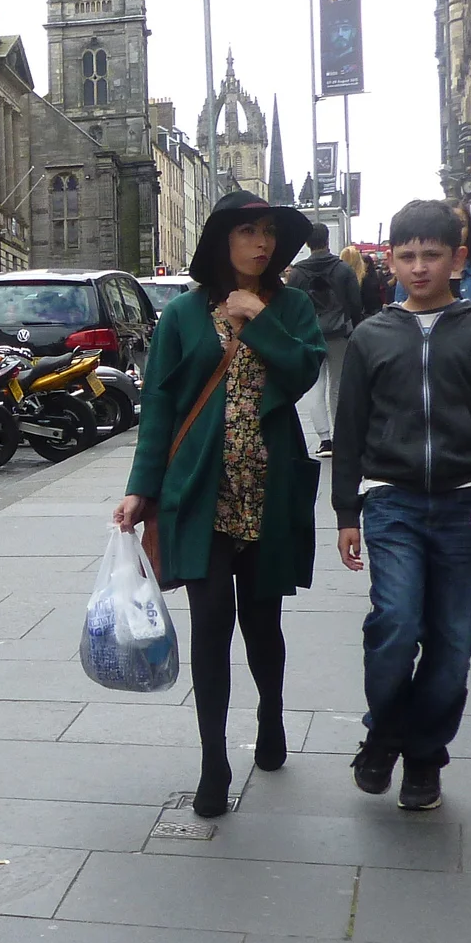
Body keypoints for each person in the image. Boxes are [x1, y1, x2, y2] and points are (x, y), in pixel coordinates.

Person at [114, 190, 324, 818]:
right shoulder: (180, 314)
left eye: (268, 232)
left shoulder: (290, 306)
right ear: (222, 241)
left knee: (263, 623)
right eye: (247, 232)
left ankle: (272, 713)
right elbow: (160, 409)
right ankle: (213, 762)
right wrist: (139, 488)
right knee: (210, 628)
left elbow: (304, 371)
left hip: (268, 489)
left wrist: (255, 320)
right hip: (200, 493)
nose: (260, 242)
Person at [332, 200, 471, 812]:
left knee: (453, 643)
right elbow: (352, 424)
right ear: (390, 260)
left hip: (465, 502)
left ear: (459, 259)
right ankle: (390, 731)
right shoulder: (373, 336)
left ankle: (416, 753)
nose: (419, 267)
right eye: (407, 255)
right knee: (394, 622)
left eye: (432, 255)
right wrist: (346, 513)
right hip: (390, 503)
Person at [288, 221, 363, 457]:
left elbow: (290, 306)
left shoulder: (298, 273)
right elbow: (355, 303)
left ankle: (324, 440)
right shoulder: (342, 269)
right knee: (338, 385)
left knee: (314, 386)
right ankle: (341, 436)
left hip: (309, 336)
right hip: (339, 334)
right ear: (328, 240)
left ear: (308, 243)